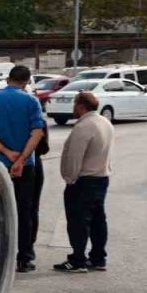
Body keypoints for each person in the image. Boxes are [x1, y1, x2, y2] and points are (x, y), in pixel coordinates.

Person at [0, 65, 47, 273]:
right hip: (25, 167)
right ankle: (24, 258)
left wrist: (6, 152)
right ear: (26, 81)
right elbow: (37, 133)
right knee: (24, 211)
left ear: (8, 79)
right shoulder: (31, 101)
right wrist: (21, 159)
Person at [54, 91, 114, 273]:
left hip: (84, 180)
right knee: (98, 220)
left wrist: (70, 179)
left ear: (81, 106)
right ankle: (98, 258)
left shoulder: (84, 127)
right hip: (102, 177)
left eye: (75, 104)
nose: (73, 108)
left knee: (78, 221)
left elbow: (75, 156)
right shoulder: (105, 122)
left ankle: (78, 259)